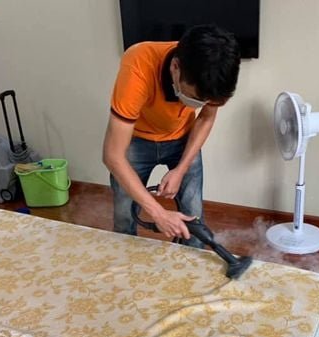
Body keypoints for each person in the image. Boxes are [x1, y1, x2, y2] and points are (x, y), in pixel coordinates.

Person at [102, 24, 241, 247]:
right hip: (136, 140)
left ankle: (193, 262)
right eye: (194, 99)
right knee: (124, 214)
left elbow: (205, 118)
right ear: (175, 67)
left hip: (183, 138)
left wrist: (181, 169)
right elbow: (113, 155)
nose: (201, 105)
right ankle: (123, 260)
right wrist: (158, 213)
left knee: (193, 214)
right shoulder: (138, 64)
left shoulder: (214, 76)